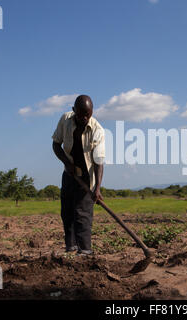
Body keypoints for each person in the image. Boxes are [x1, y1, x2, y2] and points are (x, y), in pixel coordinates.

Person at [52, 95, 105, 255]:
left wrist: (97, 188)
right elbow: (56, 144)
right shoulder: (65, 120)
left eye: (87, 114)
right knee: (67, 212)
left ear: (92, 112)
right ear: (74, 110)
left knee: (82, 214)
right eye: (80, 114)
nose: (84, 118)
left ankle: (85, 251)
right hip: (69, 174)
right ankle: (71, 248)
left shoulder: (98, 130)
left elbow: (99, 161)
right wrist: (67, 163)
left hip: (87, 178)